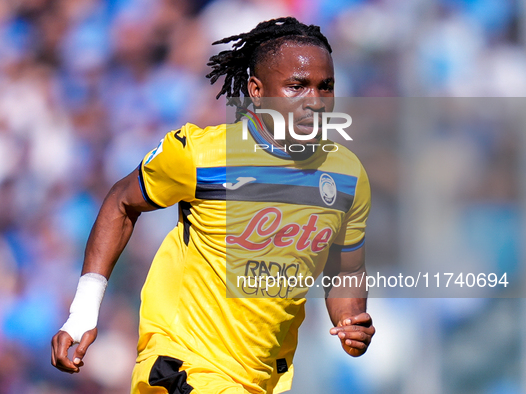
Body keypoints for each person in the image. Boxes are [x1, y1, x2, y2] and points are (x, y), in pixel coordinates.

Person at [51, 17, 375, 394]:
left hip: (261, 380)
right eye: (297, 86)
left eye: (326, 87)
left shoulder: (346, 175)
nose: (314, 101)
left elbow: (345, 269)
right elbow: (122, 202)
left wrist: (351, 320)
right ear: (257, 90)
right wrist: (84, 311)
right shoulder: (202, 155)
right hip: (183, 365)